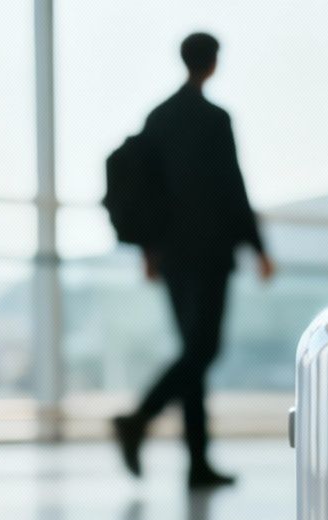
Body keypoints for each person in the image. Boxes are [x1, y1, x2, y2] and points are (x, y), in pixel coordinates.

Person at [112, 31, 273, 490]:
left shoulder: (159, 118)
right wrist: (258, 249)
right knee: (203, 351)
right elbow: (232, 188)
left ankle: (197, 463)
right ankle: (140, 417)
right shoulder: (214, 120)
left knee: (192, 353)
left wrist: (148, 250)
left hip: (173, 257)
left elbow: (145, 190)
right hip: (209, 252)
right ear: (213, 63)